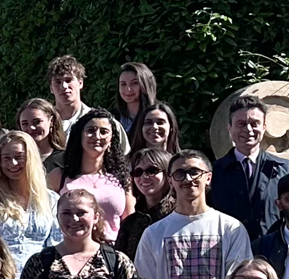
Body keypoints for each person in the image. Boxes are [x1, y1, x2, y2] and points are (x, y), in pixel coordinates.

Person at [134, 151, 253, 279]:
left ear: (209, 177)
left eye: (194, 172)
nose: (188, 179)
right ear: (170, 181)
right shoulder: (153, 234)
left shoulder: (231, 228)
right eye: (179, 173)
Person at [208, 96, 289, 240]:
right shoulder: (214, 172)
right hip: (228, 249)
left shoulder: (285, 169)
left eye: (255, 123)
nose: (248, 129)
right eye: (241, 124)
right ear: (229, 128)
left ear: (264, 128)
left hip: (272, 250)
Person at [53, 110, 132, 242]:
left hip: (111, 249)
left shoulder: (122, 178)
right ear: (80, 135)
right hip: (71, 248)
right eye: (91, 130)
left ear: (111, 139)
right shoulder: (59, 176)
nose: (97, 136)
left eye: (104, 132)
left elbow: (129, 220)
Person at [116, 146, 175, 259]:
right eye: (138, 172)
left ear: (168, 174)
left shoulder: (179, 215)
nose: (144, 176)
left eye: (152, 170)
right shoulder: (130, 223)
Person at [16, 99, 68, 183]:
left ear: (51, 121)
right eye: (25, 124)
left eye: (37, 122)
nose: (31, 128)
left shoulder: (66, 159)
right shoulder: (16, 160)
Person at [46, 55, 90, 134]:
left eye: (68, 80)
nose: (64, 86)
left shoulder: (94, 119)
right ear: (51, 88)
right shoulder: (45, 123)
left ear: (80, 83)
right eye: (58, 82)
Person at [114, 62, 158, 136]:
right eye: (123, 84)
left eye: (134, 83)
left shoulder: (157, 115)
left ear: (145, 85)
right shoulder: (114, 117)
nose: (128, 89)